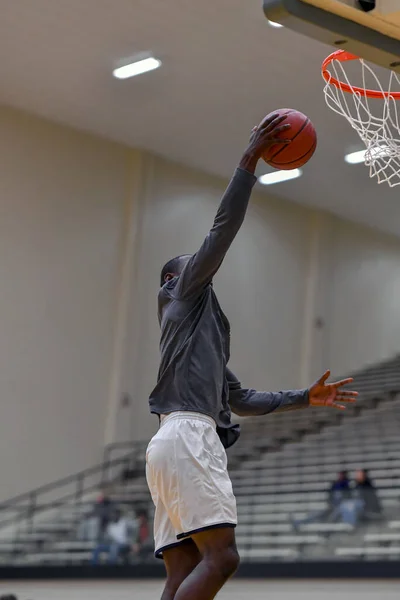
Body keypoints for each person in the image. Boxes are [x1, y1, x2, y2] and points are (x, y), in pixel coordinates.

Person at [145, 113, 358, 600]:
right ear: (172, 281)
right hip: (187, 437)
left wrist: (306, 396)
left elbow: (241, 399)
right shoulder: (181, 297)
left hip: (168, 444)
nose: (201, 265)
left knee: (184, 573)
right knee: (223, 557)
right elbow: (219, 234)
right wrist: (249, 159)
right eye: (190, 263)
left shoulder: (201, 338)